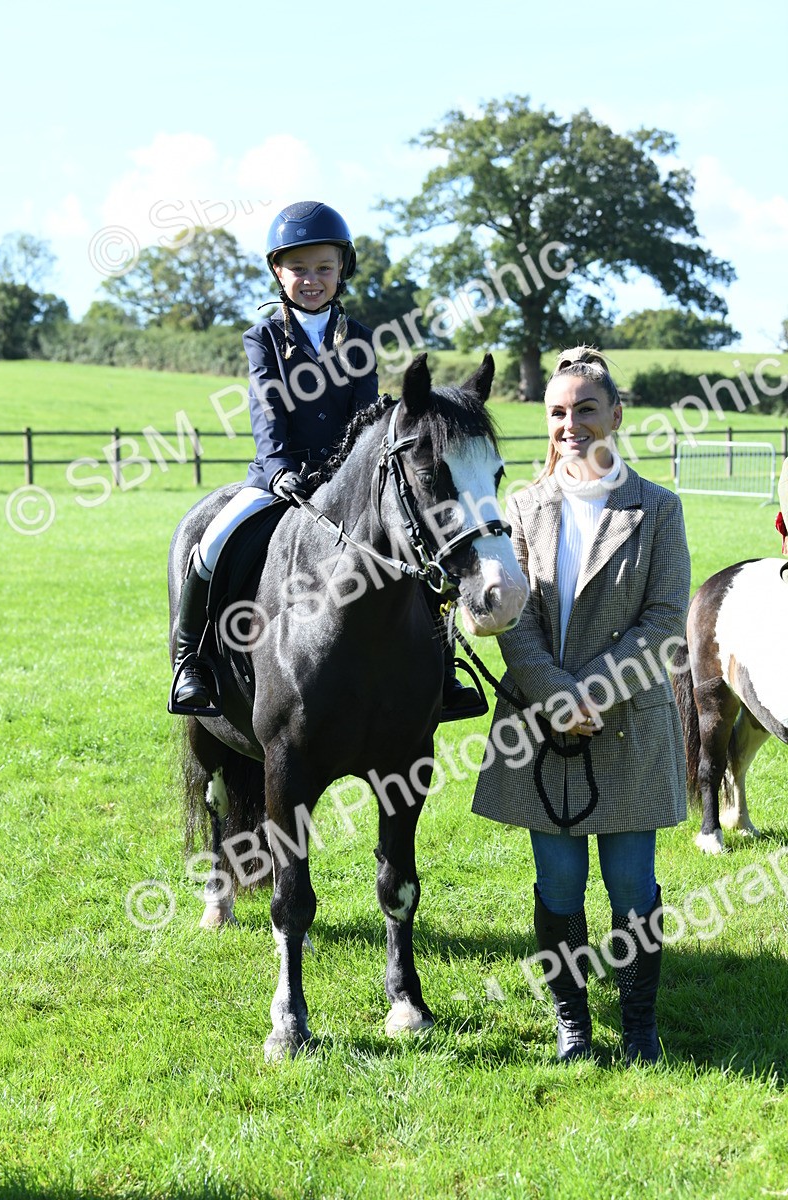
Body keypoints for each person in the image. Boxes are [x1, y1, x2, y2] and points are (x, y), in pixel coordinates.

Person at [171, 200, 482, 719]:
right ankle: (191, 663)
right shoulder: (263, 338)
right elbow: (267, 407)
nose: (311, 279)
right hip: (279, 476)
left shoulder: (358, 338)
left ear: (342, 271)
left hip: (346, 482)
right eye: (298, 268)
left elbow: (363, 415)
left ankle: (442, 670)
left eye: (323, 267)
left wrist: (359, 470)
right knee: (212, 541)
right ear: (278, 271)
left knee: (416, 543)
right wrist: (277, 468)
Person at [472, 346, 691, 1065]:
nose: (571, 424)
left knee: (631, 886)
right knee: (559, 886)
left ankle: (639, 1029)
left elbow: (665, 623)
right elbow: (516, 619)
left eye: (585, 409)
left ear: (616, 415)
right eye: (558, 412)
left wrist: (590, 692)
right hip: (543, 728)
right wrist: (556, 697)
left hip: (628, 725)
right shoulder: (524, 507)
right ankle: (574, 1028)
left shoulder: (658, 509)